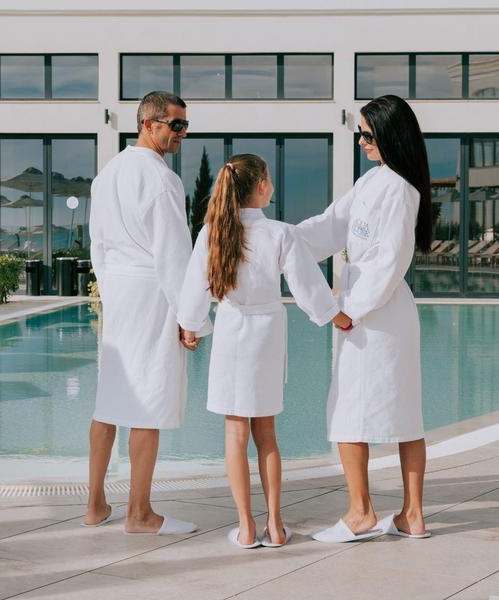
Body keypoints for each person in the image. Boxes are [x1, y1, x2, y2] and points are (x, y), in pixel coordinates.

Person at [178, 154, 338, 548]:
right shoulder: (281, 233)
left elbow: (194, 285)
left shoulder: (212, 232)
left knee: (235, 433)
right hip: (268, 332)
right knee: (266, 433)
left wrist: (190, 325)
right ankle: (276, 526)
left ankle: (246, 527)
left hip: (233, 329)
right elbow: (308, 287)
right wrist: (335, 317)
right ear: (263, 186)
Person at [297, 95, 433, 542]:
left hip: (374, 313)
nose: (361, 141)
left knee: (350, 415)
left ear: (391, 136)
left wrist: (344, 314)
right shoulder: (374, 181)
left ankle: (361, 514)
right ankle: (410, 516)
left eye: (368, 135)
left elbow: (389, 263)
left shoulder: (398, 190)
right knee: (401, 414)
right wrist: (282, 241)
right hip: (372, 311)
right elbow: (331, 224)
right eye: (359, 134)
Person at [85, 91, 210, 535]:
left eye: (185, 127)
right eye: (175, 125)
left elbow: (96, 244)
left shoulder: (107, 174)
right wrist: (191, 317)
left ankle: (95, 505)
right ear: (148, 123)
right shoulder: (161, 180)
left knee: (110, 398)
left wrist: (109, 288)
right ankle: (139, 514)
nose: (182, 134)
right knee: (148, 402)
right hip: (151, 292)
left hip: (119, 293)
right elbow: (173, 255)